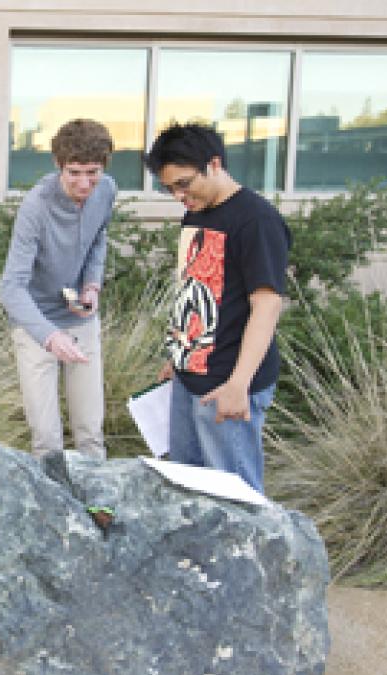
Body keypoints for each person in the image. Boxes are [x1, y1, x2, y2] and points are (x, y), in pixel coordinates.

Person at [144, 122, 291, 494]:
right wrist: (180, 353)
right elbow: (197, 288)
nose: (179, 195)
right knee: (187, 491)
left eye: (184, 183)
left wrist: (239, 383)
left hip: (227, 385)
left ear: (214, 163)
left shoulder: (256, 220)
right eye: (170, 188)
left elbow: (267, 305)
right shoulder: (197, 211)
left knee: (235, 497)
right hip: (189, 374)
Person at [0, 119, 117, 459]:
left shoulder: (106, 190)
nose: (84, 183)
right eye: (74, 172)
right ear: (58, 166)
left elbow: (98, 239)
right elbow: (11, 288)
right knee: (47, 440)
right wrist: (50, 337)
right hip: (36, 327)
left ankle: (97, 510)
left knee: (91, 434)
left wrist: (92, 286)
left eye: (92, 172)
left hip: (80, 322)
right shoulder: (35, 207)